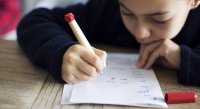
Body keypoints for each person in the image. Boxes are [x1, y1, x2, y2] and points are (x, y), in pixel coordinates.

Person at [17, 0, 200, 85]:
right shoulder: (108, 10)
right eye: (127, 13)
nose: (140, 32)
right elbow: (35, 20)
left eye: (159, 19)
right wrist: (60, 52)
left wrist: (184, 59)